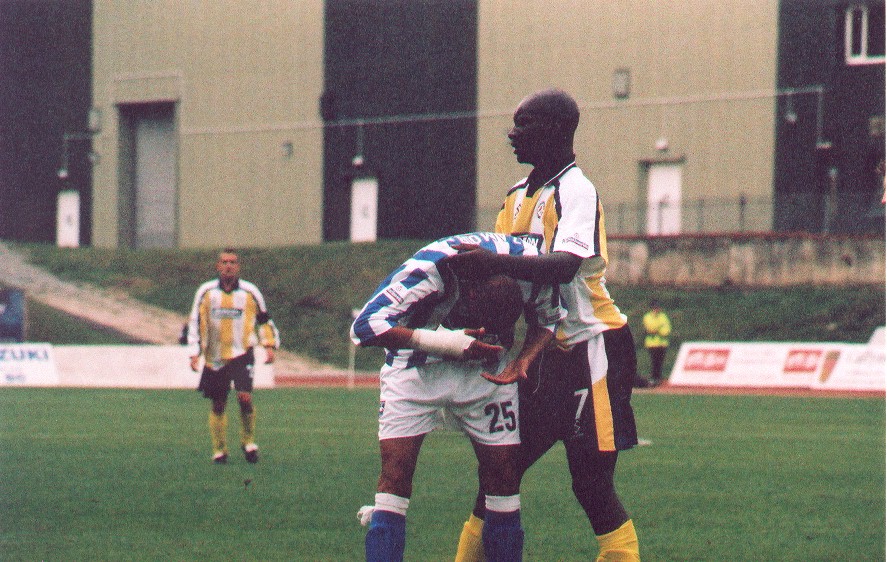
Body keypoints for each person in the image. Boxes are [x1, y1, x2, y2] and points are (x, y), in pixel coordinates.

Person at [446, 88, 641, 561]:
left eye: (524, 124)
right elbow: (503, 286)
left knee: (591, 484)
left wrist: (496, 260)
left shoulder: (576, 190)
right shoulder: (514, 197)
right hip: (542, 352)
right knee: (498, 471)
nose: (512, 134)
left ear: (556, 130)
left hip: (593, 349)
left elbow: (565, 265)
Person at [351, 232, 565, 562]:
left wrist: (523, 359)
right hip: (415, 370)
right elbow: (364, 327)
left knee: (505, 476)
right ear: (469, 291)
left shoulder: (532, 271)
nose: (488, 325)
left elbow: (549, 319)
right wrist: (450, 343)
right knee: (395, 475)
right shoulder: (430, 268)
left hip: (487, 371)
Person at [187, 248, 279, 464]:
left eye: (233, 262)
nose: (229, 266)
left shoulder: (250, 292)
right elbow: (196, 322)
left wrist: (269, 345)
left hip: (242, 353)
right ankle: (219, 450)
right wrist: (195, 352)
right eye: (224, 262)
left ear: (238, 267)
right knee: (218, 403)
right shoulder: (206, 292)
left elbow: (264, 319)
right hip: (215, 356)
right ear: (218, 266)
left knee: (244, 398)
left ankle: (248, 443)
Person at [642, 299, 671, 386]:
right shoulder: (647, 316)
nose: (657, 309)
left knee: (660, 361)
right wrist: (659, 328)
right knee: (654, 361)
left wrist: (659, 330)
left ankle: (658, 378)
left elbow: (667, 329)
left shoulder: (663, 316)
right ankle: (653, 378)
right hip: (652, 343)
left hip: (662, 343)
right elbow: (650, 328)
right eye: (655, 307)